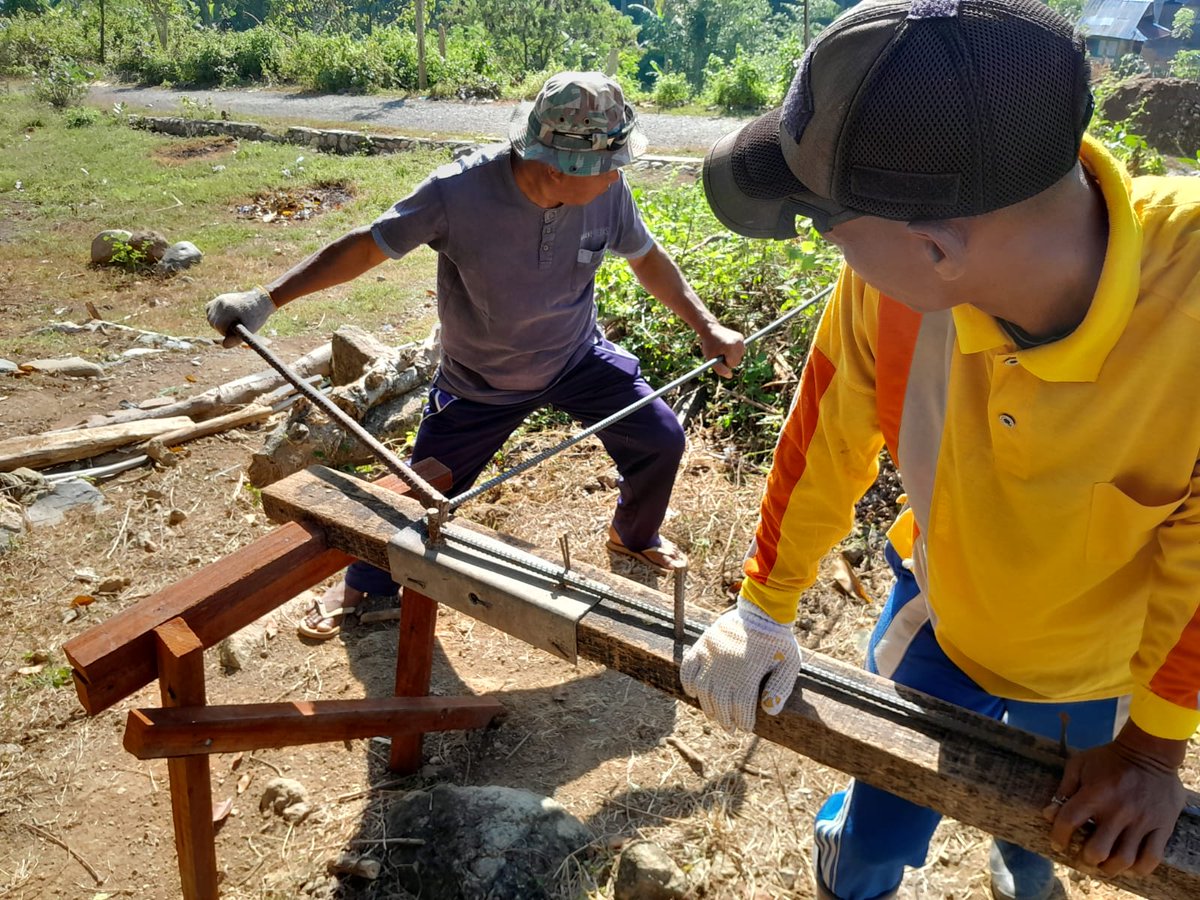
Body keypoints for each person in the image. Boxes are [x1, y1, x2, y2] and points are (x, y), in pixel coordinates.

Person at [678, 1, 1199, 898]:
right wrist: (766, 605)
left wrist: (1150, 750)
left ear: (932, 247)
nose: (828, 250)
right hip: (941, 624)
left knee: (1050, 843)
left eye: (824, 225)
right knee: (875, 839)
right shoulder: (889, 292)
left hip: (1104, 669)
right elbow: (825, 437)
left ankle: (1022, 878)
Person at [205, 71, 745, 640]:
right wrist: (267, 300)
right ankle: (364, 587)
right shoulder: (457, 193)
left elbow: (647, 257)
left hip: (575, 356)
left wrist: (706, 326)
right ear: (558, 166)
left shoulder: (607, 193)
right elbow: (368, 245)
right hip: (480, 382)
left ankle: (633, 538)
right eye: (610, 165)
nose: (619, 175)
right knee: (421, 494)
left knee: (659, 438)